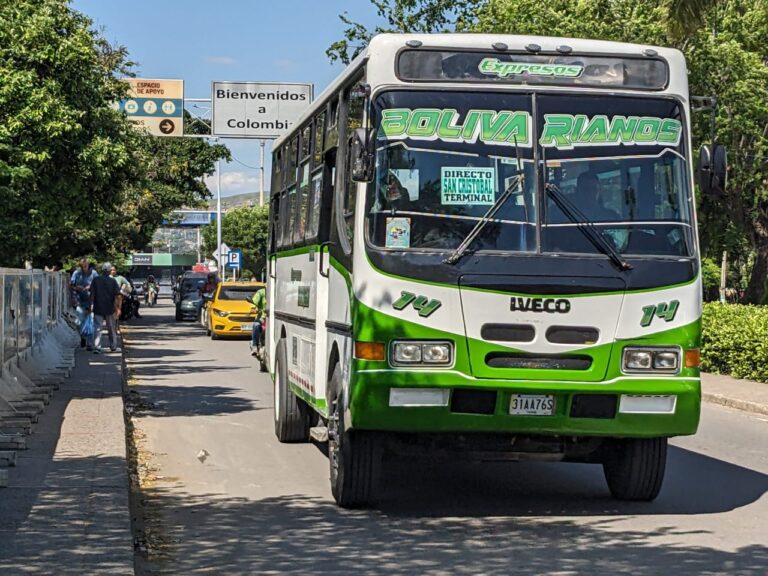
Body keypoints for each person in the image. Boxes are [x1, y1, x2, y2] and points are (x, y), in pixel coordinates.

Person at [90, 262, 121, 353]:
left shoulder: (96, 280)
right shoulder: (113, 281)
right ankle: (113, 346)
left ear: (102, 270)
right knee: (111, 328)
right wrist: (118, 308)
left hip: (98, 307)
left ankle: (97, 347)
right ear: (109, 271)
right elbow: (117, 296)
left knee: (98, 328)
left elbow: (92, 294)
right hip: (110, 308)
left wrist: (90, 304)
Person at [70, 257, 98, 349]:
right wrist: (76, 288)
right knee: (80, 322)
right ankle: (83, 337)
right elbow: (71, 285)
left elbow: (97, 285)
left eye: (85, 266)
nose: (84, 268)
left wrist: (90, 286)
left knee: (91, 322)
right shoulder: (76, 273)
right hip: (80, 301)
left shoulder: (94, 273)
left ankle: (89, 344)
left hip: (91, 301)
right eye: (82, 266)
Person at [250, 285, 267, 356]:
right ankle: (255, 346)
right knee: (256, 325)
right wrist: (254, 309)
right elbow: (254, 302)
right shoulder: (261, 292)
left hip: (272, 318)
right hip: (262, 317)